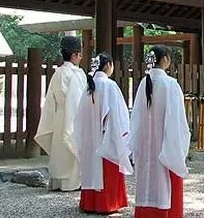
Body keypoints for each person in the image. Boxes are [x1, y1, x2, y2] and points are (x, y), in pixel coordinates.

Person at [128, 45, 191, 218]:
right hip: (165, 145)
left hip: (146, 144)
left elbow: (136, 119)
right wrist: (179, 147)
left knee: (147, 182)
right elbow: (177, 121)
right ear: (165, 60)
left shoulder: (144, 83)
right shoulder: (170, 84)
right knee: (165, 182)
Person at [75, 52, 133, 214]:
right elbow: (118, 115)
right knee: (106, 172)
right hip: (106, 137)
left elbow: (80, 116)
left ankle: (89, 203)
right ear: (108, 65)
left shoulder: (89, 86)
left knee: (91, 170)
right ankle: (107, 203)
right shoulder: (109, 85)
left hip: (90, 137)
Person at [35, 36, 87, 191]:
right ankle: (72, 182)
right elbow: (79, 100)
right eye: (79, 53)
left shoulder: (58, 73)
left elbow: (51, 99)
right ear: (74, 55)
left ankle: (57, 180)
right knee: (71, 145)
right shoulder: (76, 74)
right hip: (72, 114)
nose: (81, 57)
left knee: (60, 147)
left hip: (59, 114)